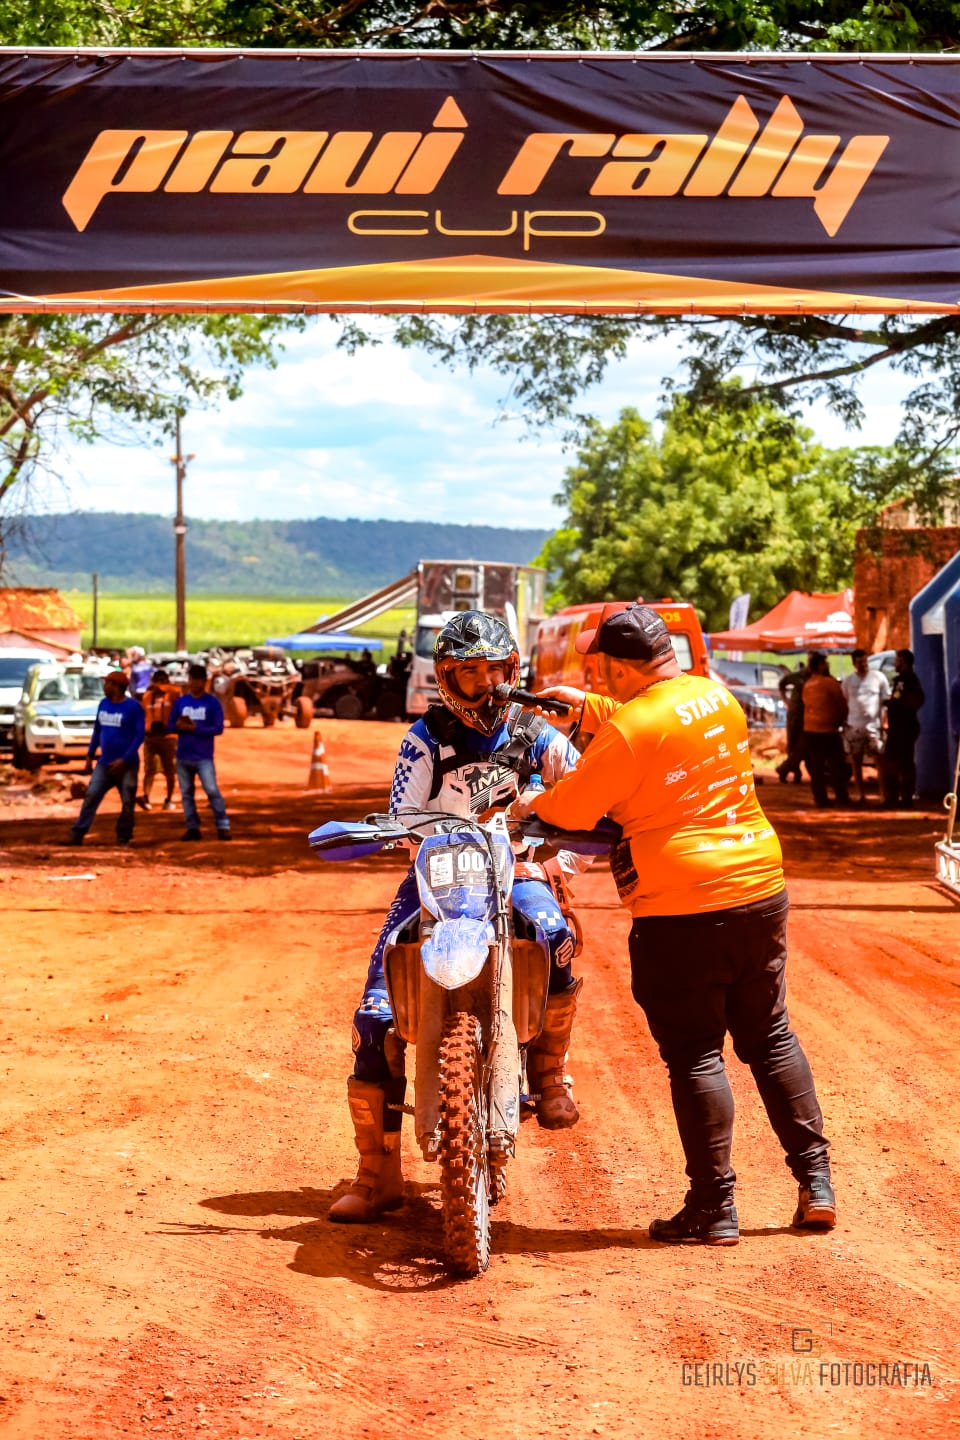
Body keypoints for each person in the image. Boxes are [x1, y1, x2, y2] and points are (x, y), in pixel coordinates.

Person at [507, 602, 834, 1247]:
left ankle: (714, 1207)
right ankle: (816, 1183)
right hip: (759, 889)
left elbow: (573, 807)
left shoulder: (629, 733)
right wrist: (587, 711)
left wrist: (528, 802)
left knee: (695, 1054)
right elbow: (658, 724)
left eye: (602, 669)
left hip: (681, 906)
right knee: (770, 1036)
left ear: (616, 667)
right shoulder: (716, 698)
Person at [329, 610, 587, 1224]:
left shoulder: (538, 733)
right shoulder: (424, 738)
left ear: (512, 670)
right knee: (374, 1014)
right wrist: (398, 834)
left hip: (517, 871)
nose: (484, 684)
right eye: (468, 673)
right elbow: (401, 814)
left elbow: (587, 796)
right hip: (438, 877)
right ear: (446, 677)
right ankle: (377, 1173)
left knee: (554, 935)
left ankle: (549, 1073)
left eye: (494, 670)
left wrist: (559, 852)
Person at [67, 670, 145, 847]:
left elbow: (139, 735)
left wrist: (125, 759)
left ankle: (124, 836)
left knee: (128, 802)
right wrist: (90, 754)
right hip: (104, 762)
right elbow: (98, 730)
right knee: (91, 795)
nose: (104, 687)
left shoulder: (133, 707)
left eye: (108, 683)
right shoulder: (103, 704)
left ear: (117, 687)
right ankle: (77, 833)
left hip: (127, 765)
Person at [168, 663, 232, 841]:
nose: (195, 683)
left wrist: (196, 728)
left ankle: (223, 825)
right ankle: (192, 827)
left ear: (205, 681)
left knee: (211, 790)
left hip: (203, 756)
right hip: (183, 755)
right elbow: (170, 725)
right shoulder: (181, 702)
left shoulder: (212, 703)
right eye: (192, 679)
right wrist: (178, 727)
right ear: (189, 681)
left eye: (199, 680)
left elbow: (218, 728)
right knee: (186, 794)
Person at [840, 650, 890, 805]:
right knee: (856, 761)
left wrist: (884, 722)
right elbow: (845, 701)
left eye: (865, 661)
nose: (863, 665)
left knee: (879, 760)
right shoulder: (848, 681)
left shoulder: (878, 678)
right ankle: (861, 795)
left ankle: (883, 795)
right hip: (854, 726)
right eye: (860, 662)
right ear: (854, 663)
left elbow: (885, 701)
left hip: (874, 727)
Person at [801, 654, 850, 807]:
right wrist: (841, 720)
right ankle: (841, 796)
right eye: (825, 663)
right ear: (820, 665)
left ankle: (820, 797)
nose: (828, 665)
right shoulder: (830, 683)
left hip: (810, 730)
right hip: (828, 730)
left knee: (817, 766)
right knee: (836, 764)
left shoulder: (807, 684)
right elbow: (841, 704)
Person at [880, 649, 925, 809]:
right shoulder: (913, 679)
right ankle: (906, 798)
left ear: (903, 662)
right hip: (908, 727)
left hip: (900, 728)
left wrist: (889, 703)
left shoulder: (903, 680)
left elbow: (899, 699)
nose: (895, 664)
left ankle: (893, 797)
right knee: (906, 762)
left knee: (892, 762)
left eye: (897, 660)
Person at [137, 668, 180, 812]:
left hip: (169, 738)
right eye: (157, 681)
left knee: (170, 770)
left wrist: (164, 687)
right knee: (149, 769)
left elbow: (178, 693)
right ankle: (146, 797)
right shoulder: (147, 696)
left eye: (162, 681)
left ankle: (169, 799)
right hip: (151, 737)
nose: (159, 684)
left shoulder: (173, 695)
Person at [775, 656, 814, 783]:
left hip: (809, 715)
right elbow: (782, 683)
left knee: (805, 745)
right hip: (796, 714)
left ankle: (785, 769)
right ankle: (792, 771)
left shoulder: (818, 676)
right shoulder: (799, 675)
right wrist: (786, 701)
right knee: (793, 745)